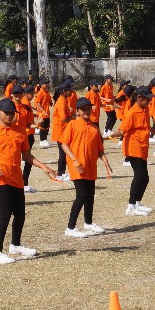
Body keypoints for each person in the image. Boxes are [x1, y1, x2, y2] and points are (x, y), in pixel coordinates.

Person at [0, 98, 58, 264]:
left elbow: (27, 155)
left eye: (12, 113)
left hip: (16, 178)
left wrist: (44, 167)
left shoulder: (20, 131)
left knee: (20, 213)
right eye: (6, 112)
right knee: (5, 213)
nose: (9, 116)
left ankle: (16, 245)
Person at [61, 98, 112, 237]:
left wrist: (104, 158)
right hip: (77, 166)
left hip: (90, 166)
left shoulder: (95, 127)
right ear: (77, 111)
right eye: (83, 109)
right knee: (82, 195)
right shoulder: (72, 125)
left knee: (90, 195)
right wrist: (74, 160)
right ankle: (70, 228)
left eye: (88, 108)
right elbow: (64, 144)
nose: (87, 111)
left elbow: (99, 148)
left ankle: (88, 223)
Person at [111, 87, 154, 216]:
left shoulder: (144, 109)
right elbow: (121, 131)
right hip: (133, 148)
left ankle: (137, 204)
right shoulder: (132, 113)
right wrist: (105, 137)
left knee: (145, 178)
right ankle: (131, 206)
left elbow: (146, 125)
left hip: (143, 147)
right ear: (139, 98)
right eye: (147, 99)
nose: (149, 102)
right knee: (139, 175)